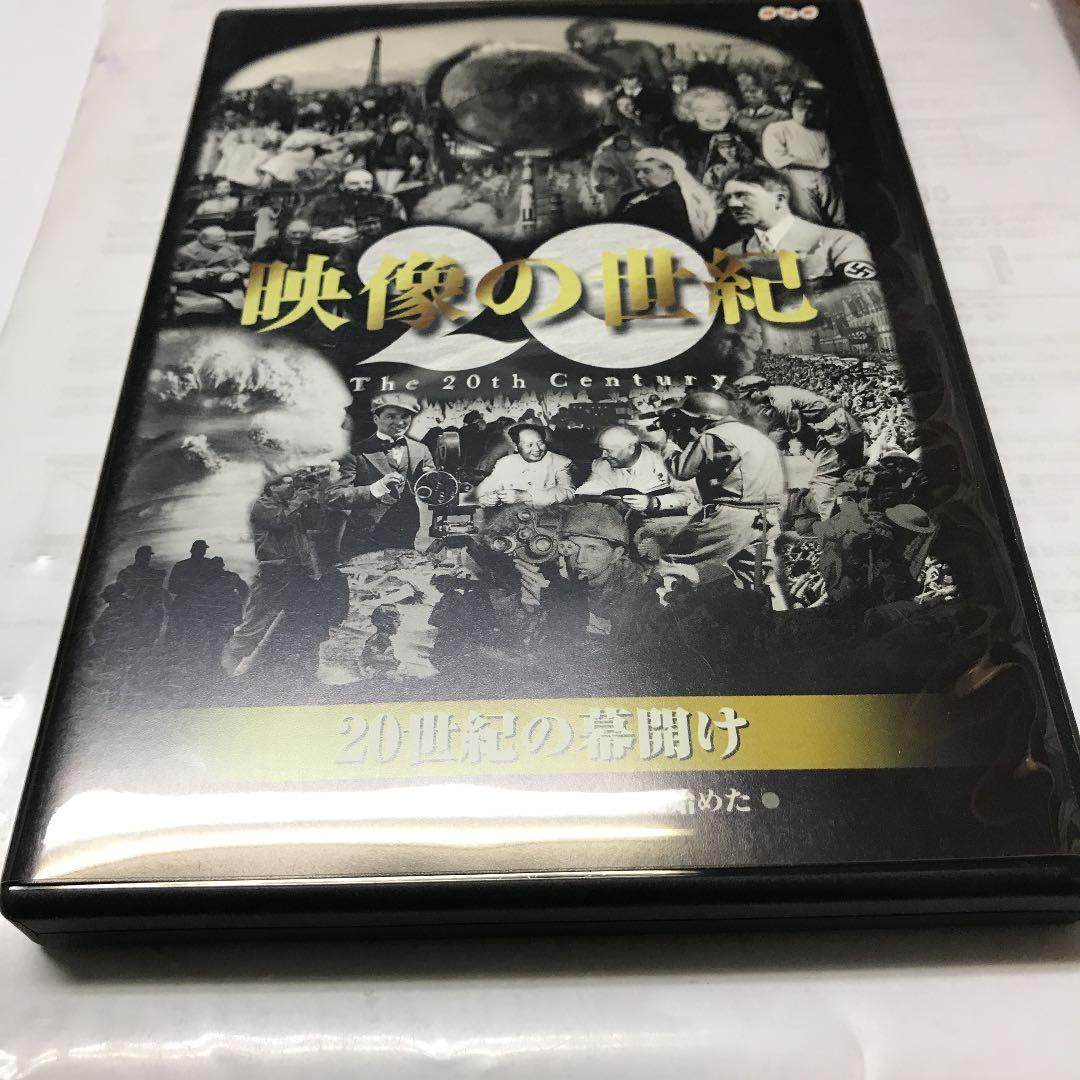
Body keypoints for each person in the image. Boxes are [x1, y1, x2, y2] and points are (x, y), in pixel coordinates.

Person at [222, 471, 349, 679]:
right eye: (286, 484)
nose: (291, 487)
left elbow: (316, 523)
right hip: (275, 573)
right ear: (272, 487)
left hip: (299, 572)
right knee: (255, 624)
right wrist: (299, 499)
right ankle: (225, 668)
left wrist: (312, 498)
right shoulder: (263, 504)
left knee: (306, 621)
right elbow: (280, 521)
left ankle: (302, 670)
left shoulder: (292, 505)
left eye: (293, 484)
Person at [664, 390, 786, 589]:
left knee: (673, 562)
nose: (691, 424)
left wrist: (669, 444)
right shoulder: (755, 435)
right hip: (768, 516)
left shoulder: (712, 436)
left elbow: (682, 471)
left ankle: (667, 606)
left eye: (692, 420)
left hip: (733, 515)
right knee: (758, 580)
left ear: (705, 418)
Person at [721, 166, 873, 282]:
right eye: (728, 198)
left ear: (779, 199)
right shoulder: (731, 255)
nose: (733, 204)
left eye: (744, 195)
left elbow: (864, 298)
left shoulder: (840, 242)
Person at [328, 390, 435, 555]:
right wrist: (376, 488)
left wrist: (434, 482)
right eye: (391, 416)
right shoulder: (355, 452)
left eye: (405, 416)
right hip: (365, 537)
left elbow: (433, 489)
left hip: (406, 532)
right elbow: (333, 496)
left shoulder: (421, 450)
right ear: (376, 419)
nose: (399, 422)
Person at [761, 89, 844, 224]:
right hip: (798, 182)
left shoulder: (820, 131)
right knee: (811, 222)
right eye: (800, 109)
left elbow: (827, 160)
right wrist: (816, 164)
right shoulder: (778, 129)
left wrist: (827, 169)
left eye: (809, 110)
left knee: (838, 220)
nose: (804, 114)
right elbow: (777, 158)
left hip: (824, 181)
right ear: (792, 109)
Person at [575, 424, 696, 515]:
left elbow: (691, 496)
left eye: (608, 451)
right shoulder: (601, 464)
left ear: (631, 448)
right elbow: (586, 493)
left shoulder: (667, 461)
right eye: (601, 450)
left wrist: (654, 502)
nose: (603, 455)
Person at [611, 147, 717, 246]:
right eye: (637, 171)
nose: (639, 176)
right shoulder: (630, 197)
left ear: (668, 173)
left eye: (646, 171)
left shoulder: (674, 201)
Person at [660, 86, 753, 180]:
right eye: (701, 110)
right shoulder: (678, 141)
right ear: (690, 114)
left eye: (719, 109)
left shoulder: (743, 138)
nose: (712, 115)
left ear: (730, 111)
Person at [476, 422, 574, 509]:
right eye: (529, 445)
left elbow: (569, 493)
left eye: (540, 443)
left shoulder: (560, 462)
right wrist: (484, 498)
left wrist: (527, 496)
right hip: (513, 518)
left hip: (549, 518)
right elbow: (485, 488)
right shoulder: (505, 463)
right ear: (516, 447)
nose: (537, 449)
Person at [301, 168, 404, 243]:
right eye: (354, 184)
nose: (362, 187)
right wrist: (318, 235)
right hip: (328, 247)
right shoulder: (322, 201)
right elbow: (301, 223)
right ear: (342, 185)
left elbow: (399, 229)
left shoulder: (386, 202)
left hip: (371, 248)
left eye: (367, 183)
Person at [565, 16, 668, 88]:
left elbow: (660, 82)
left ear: (606, 37)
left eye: (582, 41)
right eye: (572, 41)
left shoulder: (642, 48)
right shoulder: (577, 58)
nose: (576, 46)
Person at [170, 226, 248, 317]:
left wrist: (235, 272)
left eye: (224, 239)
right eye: (218, 241)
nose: (223, 243)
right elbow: (171, 275)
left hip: (227, 286)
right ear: (204, 239)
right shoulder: (184, 252)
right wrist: (194, 274)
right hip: (194, 290)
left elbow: (243, 264)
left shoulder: (231, 249)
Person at [733, 75, 789, 149]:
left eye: (753, 91)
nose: (748, 95)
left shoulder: (781, 116)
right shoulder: (738, 117)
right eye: (745, 92)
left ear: (765, 93)